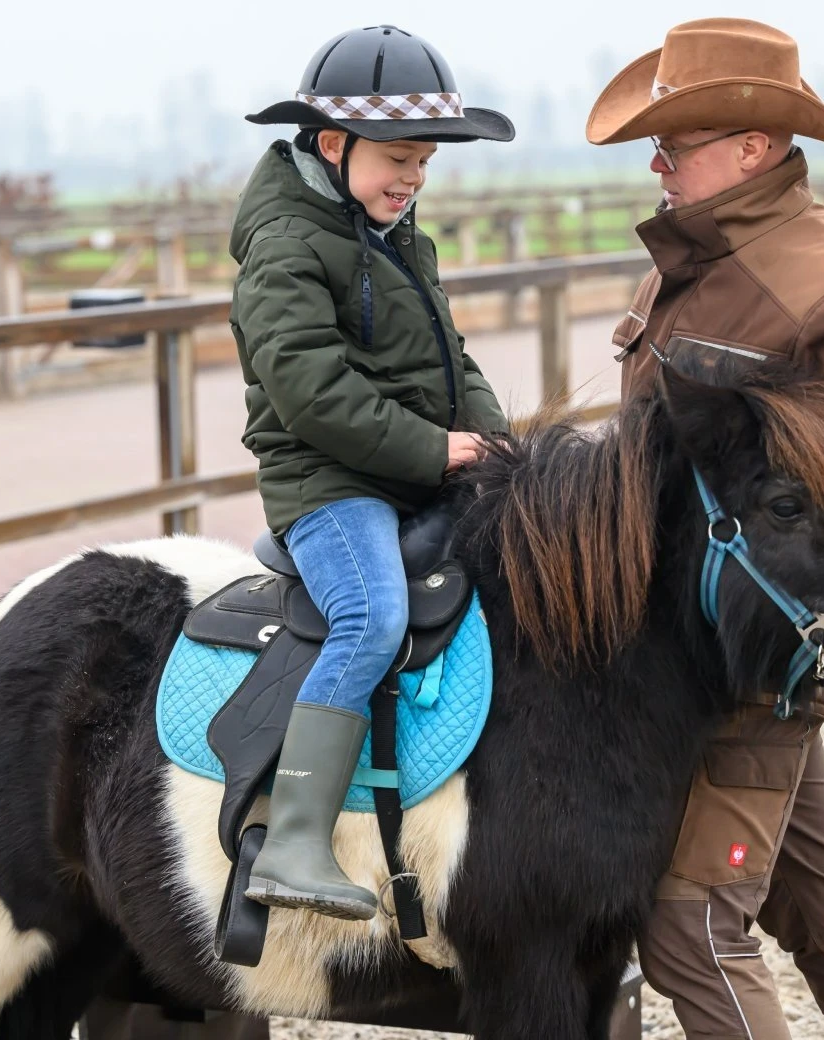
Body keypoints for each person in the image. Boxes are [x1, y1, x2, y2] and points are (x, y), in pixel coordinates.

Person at [586, 18, 824, 1039]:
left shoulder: (820, 281)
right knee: (816, 900)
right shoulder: (691, 260)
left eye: (680, 141)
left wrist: (799, 584)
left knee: (690, 924)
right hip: (690, 655)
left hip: (750, 652)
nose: (658, 160)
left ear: (752, 149)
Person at [230, 24, 513, 920]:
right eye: (398, 158)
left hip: (408, 469)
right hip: (329, 483)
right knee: (373, 613)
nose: (412, 179)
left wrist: (503, 446)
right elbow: (310, 389)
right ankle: (295, 841)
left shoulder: (394, 234)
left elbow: (451, 361)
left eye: (424, 162)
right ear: (330, 144)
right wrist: (433, 451)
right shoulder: (284, 246)